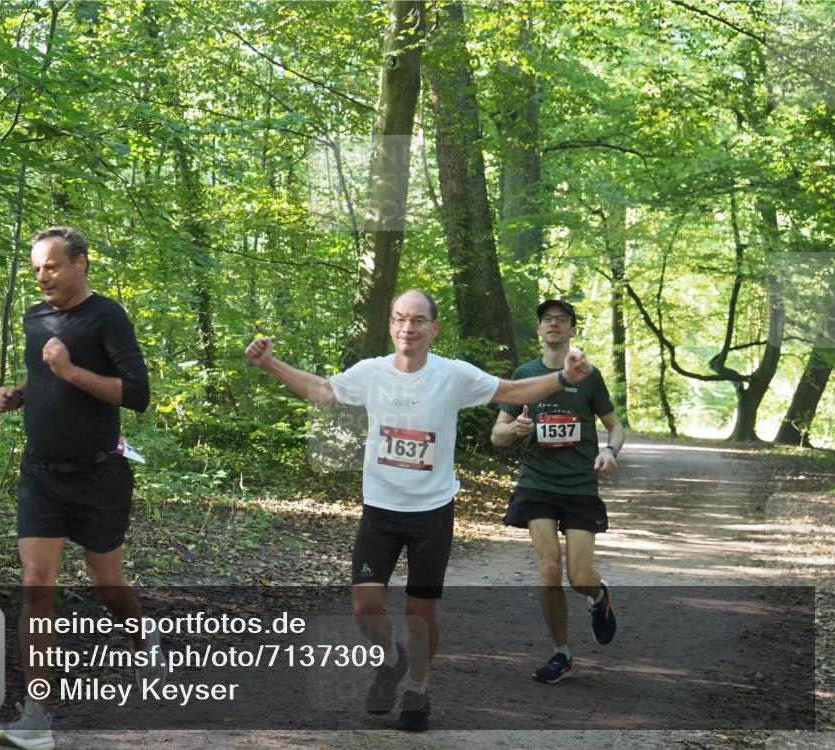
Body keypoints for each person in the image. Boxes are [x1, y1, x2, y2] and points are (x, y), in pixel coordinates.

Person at [245, 290, 594, 731]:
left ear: (434, 328)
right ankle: (393, 659)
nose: (407, 328)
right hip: (380, 510)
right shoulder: (372, 373)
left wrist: (563, 378)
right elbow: (322, 390)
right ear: (391, 325)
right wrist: (269, 364)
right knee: (363, 606)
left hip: (431, 514)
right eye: (399, 319)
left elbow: (511, 390)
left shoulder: (453, 375)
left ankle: (417, 688)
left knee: (420, 614)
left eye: (417, 321)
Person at [0, 227, 165, 750]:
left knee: (104, 580)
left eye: (53, 266)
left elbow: (137, 394)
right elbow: (37, 375)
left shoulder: (106, 316)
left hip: (99, 474)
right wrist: (16, 394)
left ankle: (141, 633)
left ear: (81, 263)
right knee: (37, 582)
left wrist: (68, 371)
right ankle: (37, 714)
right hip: (41, 473)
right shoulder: (34, 317)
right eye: (37, 267)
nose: (42, 275)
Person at [491, 299, 625, 684]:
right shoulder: (525, 375)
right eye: (547, 320)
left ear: (572, 330)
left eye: (561, 320)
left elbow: (615, 427)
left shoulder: (589, 375)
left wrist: (609, 451)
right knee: (549, 570)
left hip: (580, 485)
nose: (553, 324)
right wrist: (513, 430)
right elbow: (497, 434)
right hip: (538, 483)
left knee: (578, 576)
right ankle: (561, 654)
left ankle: (599, 597)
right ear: (539, 330)